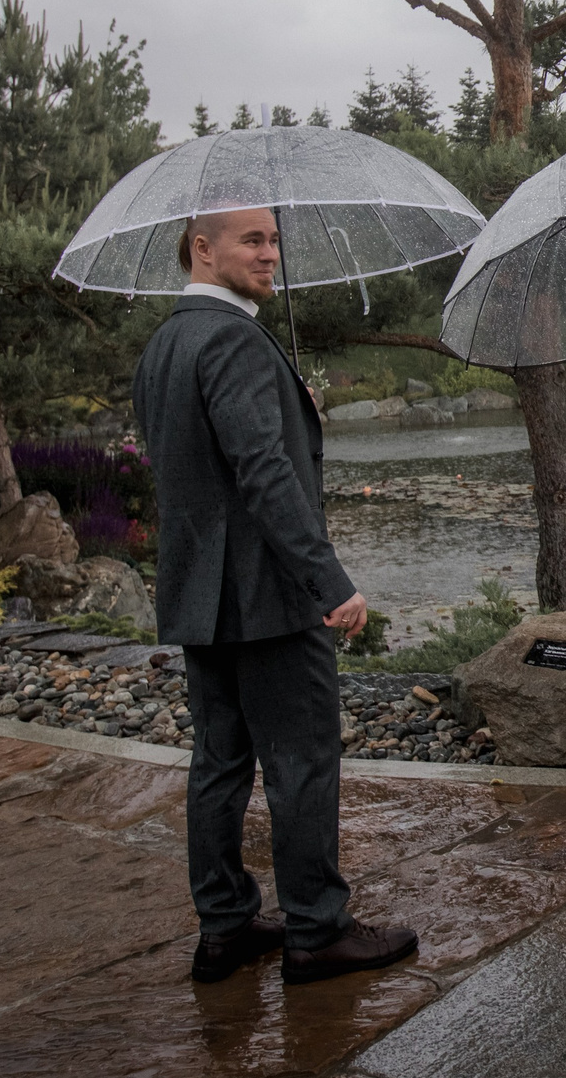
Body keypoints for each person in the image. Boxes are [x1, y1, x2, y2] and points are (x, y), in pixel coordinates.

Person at [131, 205, 419, 986]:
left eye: (273, 239)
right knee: (302, 760)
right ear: (202, 247)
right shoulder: (230, 337)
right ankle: (317, 930)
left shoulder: (164, 343)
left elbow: (200, 465)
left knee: (219, 760)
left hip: (200, 592)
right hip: (266, 595)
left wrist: (295, 412)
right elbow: (262, 472)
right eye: (252, 240)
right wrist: (328, 580)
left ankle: (224, 926)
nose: (271, 253)